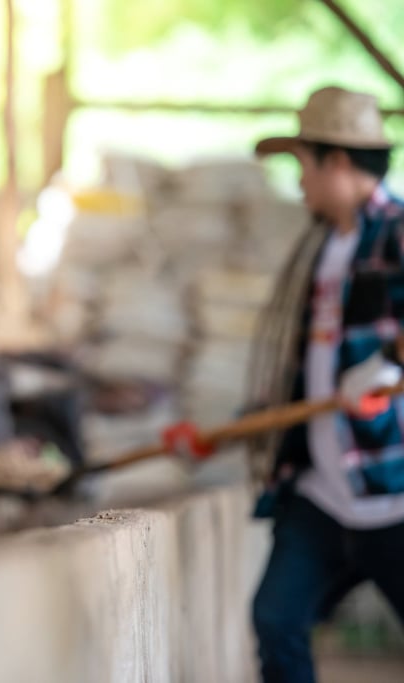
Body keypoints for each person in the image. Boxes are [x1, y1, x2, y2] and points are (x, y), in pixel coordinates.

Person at [244, 86, 404, 682]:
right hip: (322, 491)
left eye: (304, 164)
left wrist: (386, 370)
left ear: (337, 161)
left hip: (391, 486)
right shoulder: (327, 245)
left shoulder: (396, 231)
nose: (300, 182)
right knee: (276, 619)